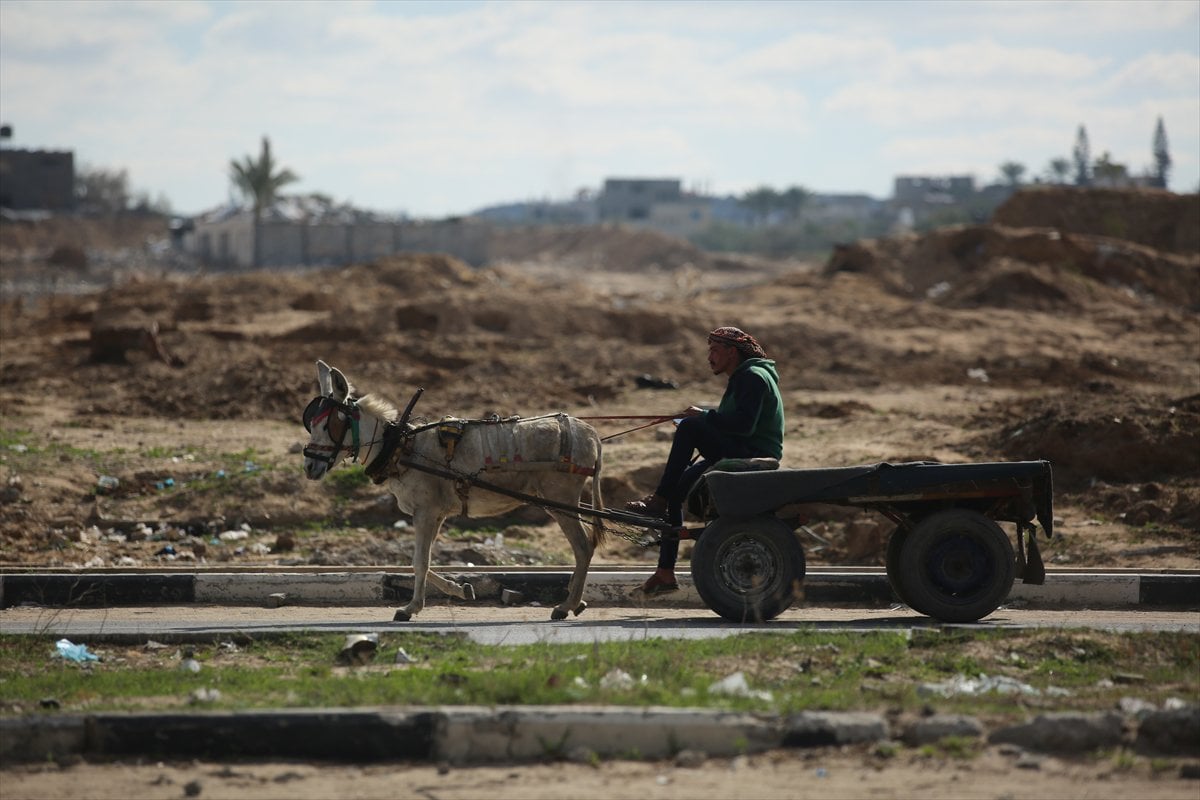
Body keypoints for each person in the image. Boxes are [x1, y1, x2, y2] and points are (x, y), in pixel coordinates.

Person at [625, 326, 785, 595]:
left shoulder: (753, 377)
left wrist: (703, 417)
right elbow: (731, 424)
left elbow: (743, 425)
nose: (709, 357)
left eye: (714, 350)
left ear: (732, 352)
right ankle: (665, 572)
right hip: (740, 446)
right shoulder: (743, 377)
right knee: (678, 490)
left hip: (751, 450)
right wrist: (704, 419)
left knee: (689, 428)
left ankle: (658, 499)